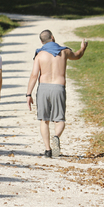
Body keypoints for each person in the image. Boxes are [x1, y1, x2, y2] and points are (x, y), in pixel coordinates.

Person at [25, 30, 87, 158]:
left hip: (43, 88)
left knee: (44, 120)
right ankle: (56, 137)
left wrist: (28, 94)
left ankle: (48, 150)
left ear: (41, 41)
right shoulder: (64, 52)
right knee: (59, 119)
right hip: (59, 87)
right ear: (53, 37)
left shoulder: (40, 55)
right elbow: (77, 55)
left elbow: (34, 75)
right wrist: (83, 48)